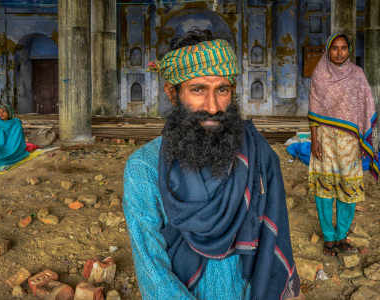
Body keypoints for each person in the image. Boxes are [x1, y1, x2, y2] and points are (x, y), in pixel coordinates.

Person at [123, 30, 301, 300]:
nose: (214, 106)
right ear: (172, 93)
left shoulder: (258, 154)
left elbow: (274, 243)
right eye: (198, 90)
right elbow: (153, 272)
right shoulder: (143, 168)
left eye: (222, 90)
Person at [308, 33, 378, 256]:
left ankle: (342, 235)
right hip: (326, 138)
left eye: (343, 48)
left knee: (349, 188)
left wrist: (362, 140)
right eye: (335, 48)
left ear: (349, 50)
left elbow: (365, 105)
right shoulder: (320, 74)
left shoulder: (357, 75)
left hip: (350, 141)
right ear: (328, 50)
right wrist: (314, 140)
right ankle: (328, 237)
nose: (339, 52)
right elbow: (314, 110)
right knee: (325, 189)